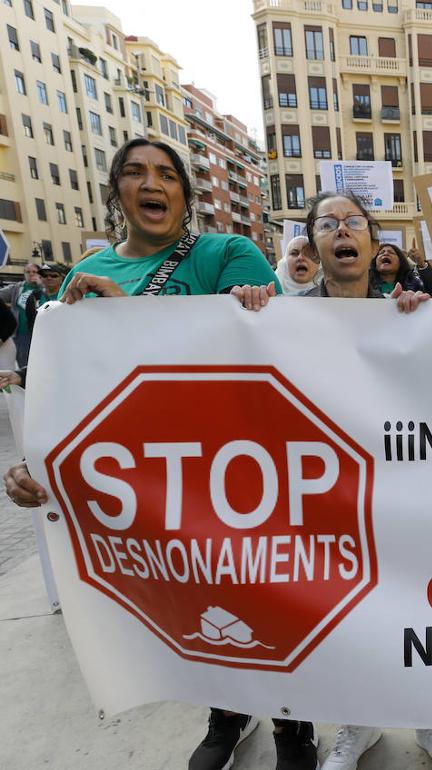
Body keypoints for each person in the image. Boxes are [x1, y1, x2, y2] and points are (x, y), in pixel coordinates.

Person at [0, 137, 311, 770]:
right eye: (137, 173)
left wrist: (135, 321)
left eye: (168, 174)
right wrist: (36, 460)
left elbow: (259, 358)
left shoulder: (228, 252)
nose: (154, 183)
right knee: (194, 599)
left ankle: (291, 723)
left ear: (185, 195)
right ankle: (223, 708)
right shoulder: (85, 278)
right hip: (153, 482)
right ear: (116, 190)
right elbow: (72, 392)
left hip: (240, 466)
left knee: (266, 596)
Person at [241, 191, 432, 770]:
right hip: (326, 495)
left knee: (414, 607)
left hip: (403, 494)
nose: (343, 231)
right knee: (348, 613)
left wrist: (426, 320)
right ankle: (357, 724)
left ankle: (429, 717)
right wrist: (243, 314)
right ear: (313, 241)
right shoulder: (282, 317)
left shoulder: (410, 309)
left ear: (372, 239)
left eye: (354, 222)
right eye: (328, 223)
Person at [0, 262, 44, 366]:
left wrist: (41, 284)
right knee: (24, 365)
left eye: (34, 272)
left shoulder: (43, 287)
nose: (31, 274)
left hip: (39, 332)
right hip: (21, 333)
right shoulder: (17, 287)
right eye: (28, 272)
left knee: (40, 363)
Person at [26, 264, 69, 334]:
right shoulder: (34, 297)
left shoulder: (68, 295)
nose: (49, 278)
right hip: (43, 337)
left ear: (61, 279)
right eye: (45, 276)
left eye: (54, 276)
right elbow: (30, 321)